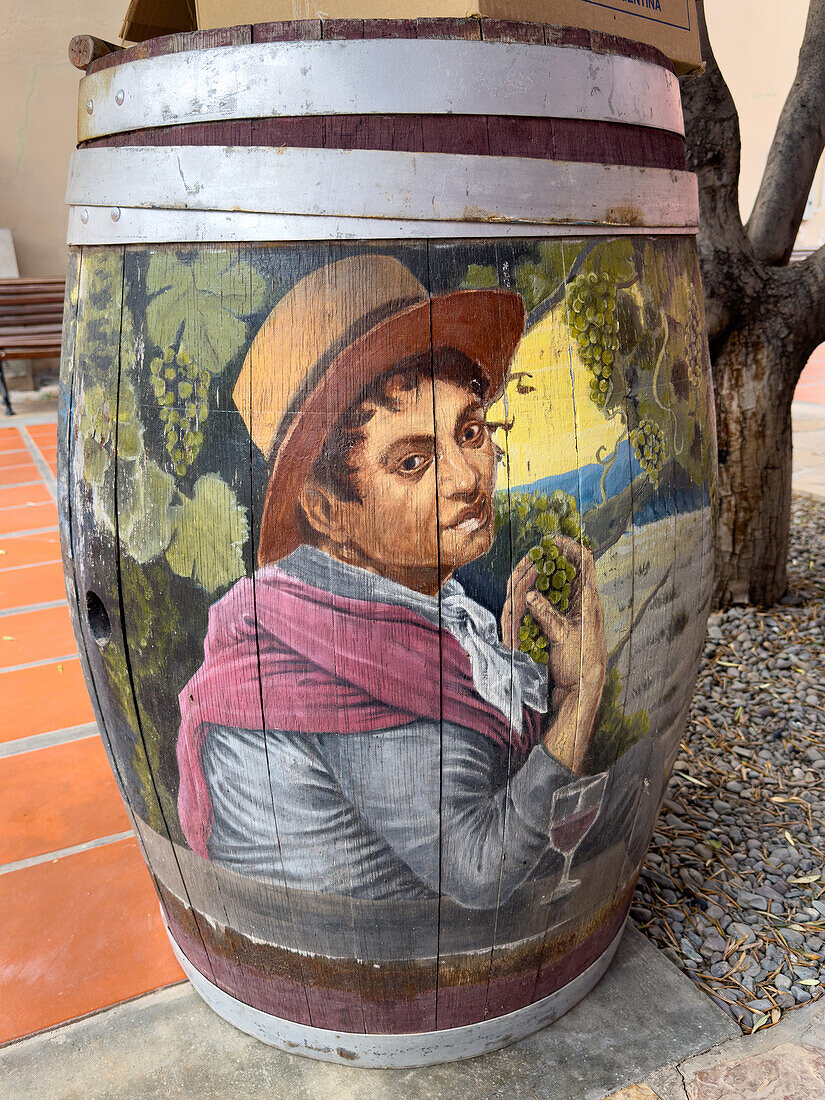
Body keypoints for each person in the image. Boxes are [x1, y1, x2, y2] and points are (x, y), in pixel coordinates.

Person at [176, 253, 607, 910]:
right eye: (412, 462)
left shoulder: (333, 600)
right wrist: (577, 699)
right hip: (353, 963)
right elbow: (482, 872)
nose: (467, 478)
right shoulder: (350, 655)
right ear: (324, 512)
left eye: (469, 431)